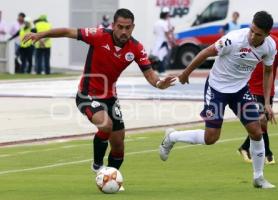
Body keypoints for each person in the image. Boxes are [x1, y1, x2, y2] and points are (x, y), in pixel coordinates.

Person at [23, 8, 176, 190]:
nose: (124, 31)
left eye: (128, 28)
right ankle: (97, 166)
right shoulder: (98, 35)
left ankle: (109, 179)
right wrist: (41, 34)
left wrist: (160, 84)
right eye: (120, 27)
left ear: (133, 27)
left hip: (110, 98)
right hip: (87, 94)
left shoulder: (136, 48)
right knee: (106, 124)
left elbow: (151, 75)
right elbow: (67, 31)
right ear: (113, 26)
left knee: (119, 145)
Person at [159, 11, 277, 189]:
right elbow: (205, 53)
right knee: (211, 138)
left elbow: (268, 72)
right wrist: (185, 74)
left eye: (258, 34)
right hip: (217, 88)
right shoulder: (234, 39)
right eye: (251, 30)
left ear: (267, 35)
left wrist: (267, 103)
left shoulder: (269, 47)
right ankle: (172, 136)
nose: (252, 35)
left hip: (240, 90)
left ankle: (258, 178)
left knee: (257, 131)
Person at [238, 35, 278, 164]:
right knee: (261, 120)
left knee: (261, 122)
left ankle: (244, 147)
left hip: (267, 90)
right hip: (249, 87)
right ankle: (268, 153)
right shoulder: (248, 42)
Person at [151, 7, 175, 75]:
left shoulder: (157, 23)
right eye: (168, 15)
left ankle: (160, 70)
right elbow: (166, 33)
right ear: (166, 15)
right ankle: (161, 71)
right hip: (163, 42)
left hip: (157, 42)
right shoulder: (164, 23)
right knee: (162, 57)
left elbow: (155, 32)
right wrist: (171, 41)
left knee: (159, 56)